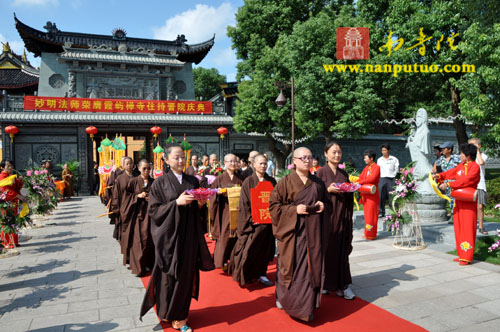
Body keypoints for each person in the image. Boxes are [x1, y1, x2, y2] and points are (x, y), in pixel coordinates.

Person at [140, 145, 214, 332]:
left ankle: (180, 316)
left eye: (183, 157)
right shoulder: (159, 183)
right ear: (166, 160)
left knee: (185, 276)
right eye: (176, 158)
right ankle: (167, 312)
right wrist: (176, 203)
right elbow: (154, 211)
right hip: (169, 238)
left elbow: (197, 210)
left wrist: (201, 204)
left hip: (188, 236)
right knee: (169, 276)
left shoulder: (193, 181)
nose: (181, 161)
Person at [269, 147, 329, 322]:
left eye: (310, 157)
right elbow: (274, 206)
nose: (307, 161)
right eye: (303, 158)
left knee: (310, 269)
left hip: (313, 232)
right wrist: (294, 210)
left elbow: (326, 202)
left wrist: (324, 205)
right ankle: (287, 299)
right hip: (292, 233)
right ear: (294, 161)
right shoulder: (285, 182)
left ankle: (307, 306)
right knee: (291, 267)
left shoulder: (318, 183)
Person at [229, 154, 276, 287]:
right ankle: (247, 274)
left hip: (267, 223)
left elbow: (276, 201)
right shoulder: (248, 181)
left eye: (265, 163)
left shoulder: (272, 181)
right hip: (253, 223)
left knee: (264, 250)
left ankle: (262, 274)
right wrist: (250, 219)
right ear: (254, 165)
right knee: (249, 250)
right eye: (260, 163)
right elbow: (244, 204)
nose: (263, 166)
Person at [316, 142, 355, 300]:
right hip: (326, 219)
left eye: (339, 152)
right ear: (326, 154)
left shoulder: (343, 174)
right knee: (326, 252)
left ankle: (343, 286)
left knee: (341, 251)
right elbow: (313, 194)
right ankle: (326, 284)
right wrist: (327, 190)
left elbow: (349, 196)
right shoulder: (319, 173)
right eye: (333, 152)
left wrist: (351, 189)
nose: (337, 155)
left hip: (341, 218)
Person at [433, 143, 480, 265]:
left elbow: (466, 181)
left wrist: (449, 184)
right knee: (458, 227)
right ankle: (461, 254)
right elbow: (451, 173)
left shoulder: (474, 167)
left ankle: (467, 256)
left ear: (468, 155)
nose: (459, 155)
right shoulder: (461, 166)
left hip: (468, 202)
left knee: (468, 227)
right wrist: (439, 176)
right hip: (458, 200)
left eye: (461, 153)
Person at [120, 160, 155, 276]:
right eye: (144, 169)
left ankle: (150, 263)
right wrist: (137, 196)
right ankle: (139, 267)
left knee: (150, 240)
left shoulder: (154, 182)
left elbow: (159, 196)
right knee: (139, 242)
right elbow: (126, 198)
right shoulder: (133, 181)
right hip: (137, 217)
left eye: (148, 169)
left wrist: (152, 199)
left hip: (150, 216)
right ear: (139, 169)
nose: (146, 171)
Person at [210, 154, 243, 271]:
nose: (233, 163)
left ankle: (234, 261)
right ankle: (221, 261)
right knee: (224, 235)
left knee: (237, 235)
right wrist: (217, 193)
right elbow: (211, 193)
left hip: (238, 211)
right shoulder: (219, 179)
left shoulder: (241, 178)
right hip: (224, 210)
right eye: (230, 161)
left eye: (235, 161)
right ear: (224, 163)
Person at [0, 160, 25, 248]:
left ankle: (13, 241)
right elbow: (5, 191)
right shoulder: (2, 177)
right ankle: (6, 242)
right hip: (7, 202)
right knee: (7, 222)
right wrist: (18, 196)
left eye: (11, 166)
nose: (10, 168)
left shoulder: (11, 176)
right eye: (8, 166)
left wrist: (20, 181)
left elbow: (16, 187)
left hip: (13, 202)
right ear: (2, 167)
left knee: (13, 221)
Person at [433, 142, 461, 220]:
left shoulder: (457, 158)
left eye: (444, 148)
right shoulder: (441, 159)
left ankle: (455, 215)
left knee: (455, 198)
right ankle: (453, 214)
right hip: (445, 182)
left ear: (449, 150)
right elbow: (435, 168)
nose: (442, 150)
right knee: (449, 198)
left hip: (455, 181)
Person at [358, 150, 380, 240]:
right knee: (367, 214)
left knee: (372, 214)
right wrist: (356, 181)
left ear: (371, 158)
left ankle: (372, 234)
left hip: (372, 194)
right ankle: (367, 233)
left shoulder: (376, 167)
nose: (364, 159)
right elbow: (361, 177)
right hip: (366, 194)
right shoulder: (366, 168)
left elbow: (372, 178)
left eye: (365, 157)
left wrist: (360, 182)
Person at [111, 157, 134, 243]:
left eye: (130, 163)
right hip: (124, 208)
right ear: (123, 166)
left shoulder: (137, 177)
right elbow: (116, 194)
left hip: (135, 208)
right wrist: (116, 208)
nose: (129, 165)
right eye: (127, 164)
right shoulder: (120, 179)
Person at [469, 138, 488, 235]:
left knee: (480, 206)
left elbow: (481, 162)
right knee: (470, 207)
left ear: (479, 145)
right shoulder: (468, 157)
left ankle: (481, 226)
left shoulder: (482, 155)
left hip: (480, 184)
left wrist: (477, 151)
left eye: (472, 145)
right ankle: (470, 225)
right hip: (470, 184)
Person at [377, 144, 399, 217]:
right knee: (380, 196)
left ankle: (393, 211)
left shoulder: (394, 159)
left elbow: (397, 168)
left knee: (392, 196)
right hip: (382, 178)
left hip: (391, 179)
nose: (383, 152)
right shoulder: (379, 160)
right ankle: (381, 212)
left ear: (388, 150)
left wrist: (394, 175)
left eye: (385, 150)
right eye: (382, 150)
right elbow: (378, 170)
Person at [106, 157, 126, 233]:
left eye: (129, 163)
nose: (128, 165)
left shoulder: (132, 174)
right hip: (118, 197)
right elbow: (110, 185)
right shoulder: (116, 172)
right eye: (124, 163)